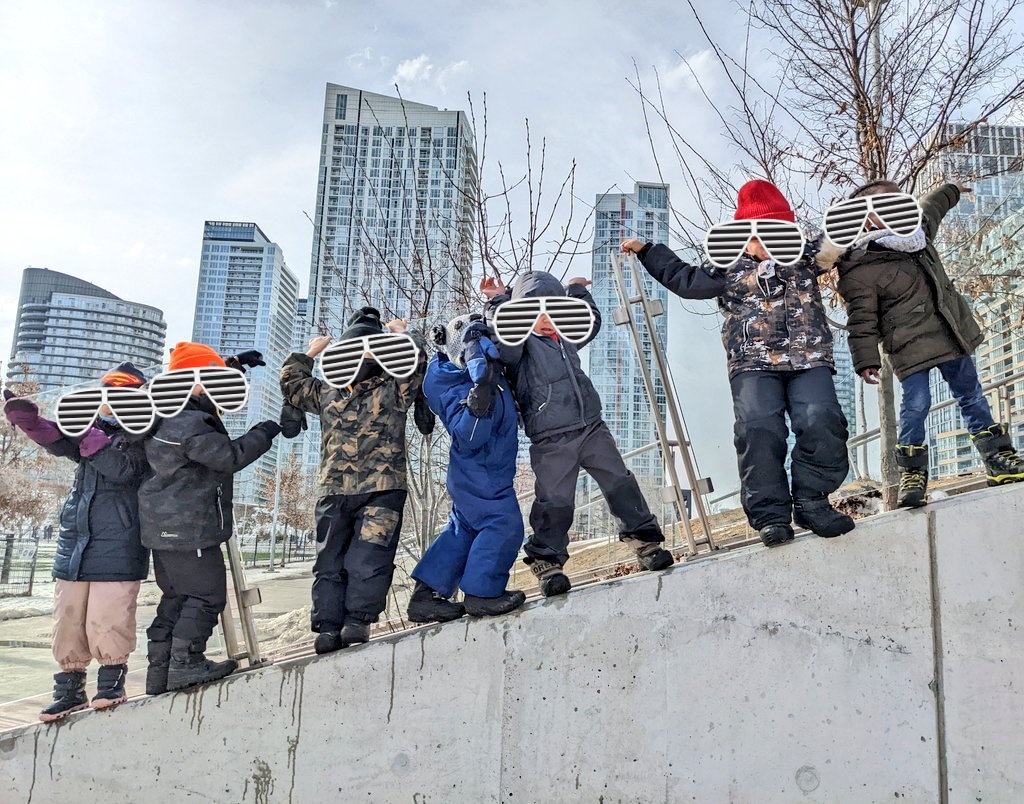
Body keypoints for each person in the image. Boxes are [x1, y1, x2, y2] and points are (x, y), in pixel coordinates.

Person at [623, 179, 854, 547]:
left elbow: (837, 241)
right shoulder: (726, 266)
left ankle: (812, 500)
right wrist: (648, 250)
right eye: (756, 236)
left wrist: (866, 214)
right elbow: (685, 280)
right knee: (759, 428)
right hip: (753, 363)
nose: (764, 245)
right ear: (742, 235)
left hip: (808, 357)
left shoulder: (806, 257)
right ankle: (771, 515)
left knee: (820, 419)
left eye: (776, 234)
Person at [481, 271, 674, 597]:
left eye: (554, 312)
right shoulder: (519, 346)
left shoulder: (567, 337)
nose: (545, 320)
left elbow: (592, 322)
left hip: (591, 426)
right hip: (551, 436)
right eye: (534, 313)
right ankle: (547, 562)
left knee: (619, 481)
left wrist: (577, 291)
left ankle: (645, 541)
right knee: (556, 500)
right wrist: (498, 301)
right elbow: (500, 341)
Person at [835, 179, 1024, 506]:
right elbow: (861, 319)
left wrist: (952, 189)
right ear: (865, 219)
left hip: (948, 333)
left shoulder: (917, 235)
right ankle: (912, 473)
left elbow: (933, 204)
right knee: (917, 405)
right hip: (908, 347)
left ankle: (998, 459)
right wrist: (866, 360)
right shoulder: (858, 266)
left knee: (972, 396)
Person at [3, 363, 150, 721]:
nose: (112, 403)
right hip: (75, 542)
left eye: (122, 396)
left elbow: (124, 471)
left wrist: (92, 442)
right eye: (107, 395)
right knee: (68, 618)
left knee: (108, 617)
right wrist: (30, 422)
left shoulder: (143, 435)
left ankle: (111, 682)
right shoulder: (90, 432)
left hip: (118, 542)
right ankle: (69, 689)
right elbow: (60, 439)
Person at [280, 307, 427, 654]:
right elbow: (418, 361)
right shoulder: (395, 388)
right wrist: (401, 334)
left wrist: (309, 352)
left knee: (332, 560)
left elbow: (291, 380)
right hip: (381, 488)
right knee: (366, 557)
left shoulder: (328, 393)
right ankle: (350, 624)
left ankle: (332, 628)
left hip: (340, 490)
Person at [139, 341, 281, 693]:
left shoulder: (163, 411)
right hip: (190, 528)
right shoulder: (187, 421)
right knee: (206, 597)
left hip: (164, 528)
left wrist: (233, 365)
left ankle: (160, 669)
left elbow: (205, 386)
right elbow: (229, 456)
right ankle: (186, 662)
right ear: (194, 380)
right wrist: (265, 431)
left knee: (177, 597)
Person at [407, 314, 526, 623]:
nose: (485, 347)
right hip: (480, 473)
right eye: (477, 343)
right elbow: (469, 435)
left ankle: (426, 595)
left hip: (482, 472)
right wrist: (479, 401)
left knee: (465, 529)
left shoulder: (479, 373)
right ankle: (482, 594)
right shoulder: (456, 382)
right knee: (503, 525)